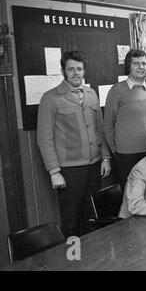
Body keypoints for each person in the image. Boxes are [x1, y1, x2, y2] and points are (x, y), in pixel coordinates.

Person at [37, 50, 111, 237]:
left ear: (84, 71)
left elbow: (100, 129)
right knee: (70, 220)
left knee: (91, 217)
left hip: (94, 167)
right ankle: (73, 260)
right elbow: (44, 138)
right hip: (69, 171)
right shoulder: (50, 98)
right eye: (71, 69)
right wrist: (54, 172)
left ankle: (91, 258)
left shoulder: (91, 94)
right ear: (63, 71)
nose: (76, 73)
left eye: (79, 69)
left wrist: (105, 157)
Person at [104, 49, 146, 191]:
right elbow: (107, 125)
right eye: (136, 63)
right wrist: (116, 151)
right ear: (129, 66)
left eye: (144, 63)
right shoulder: (117, 90)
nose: (141, 67)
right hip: (125, 155)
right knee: (130, 195)